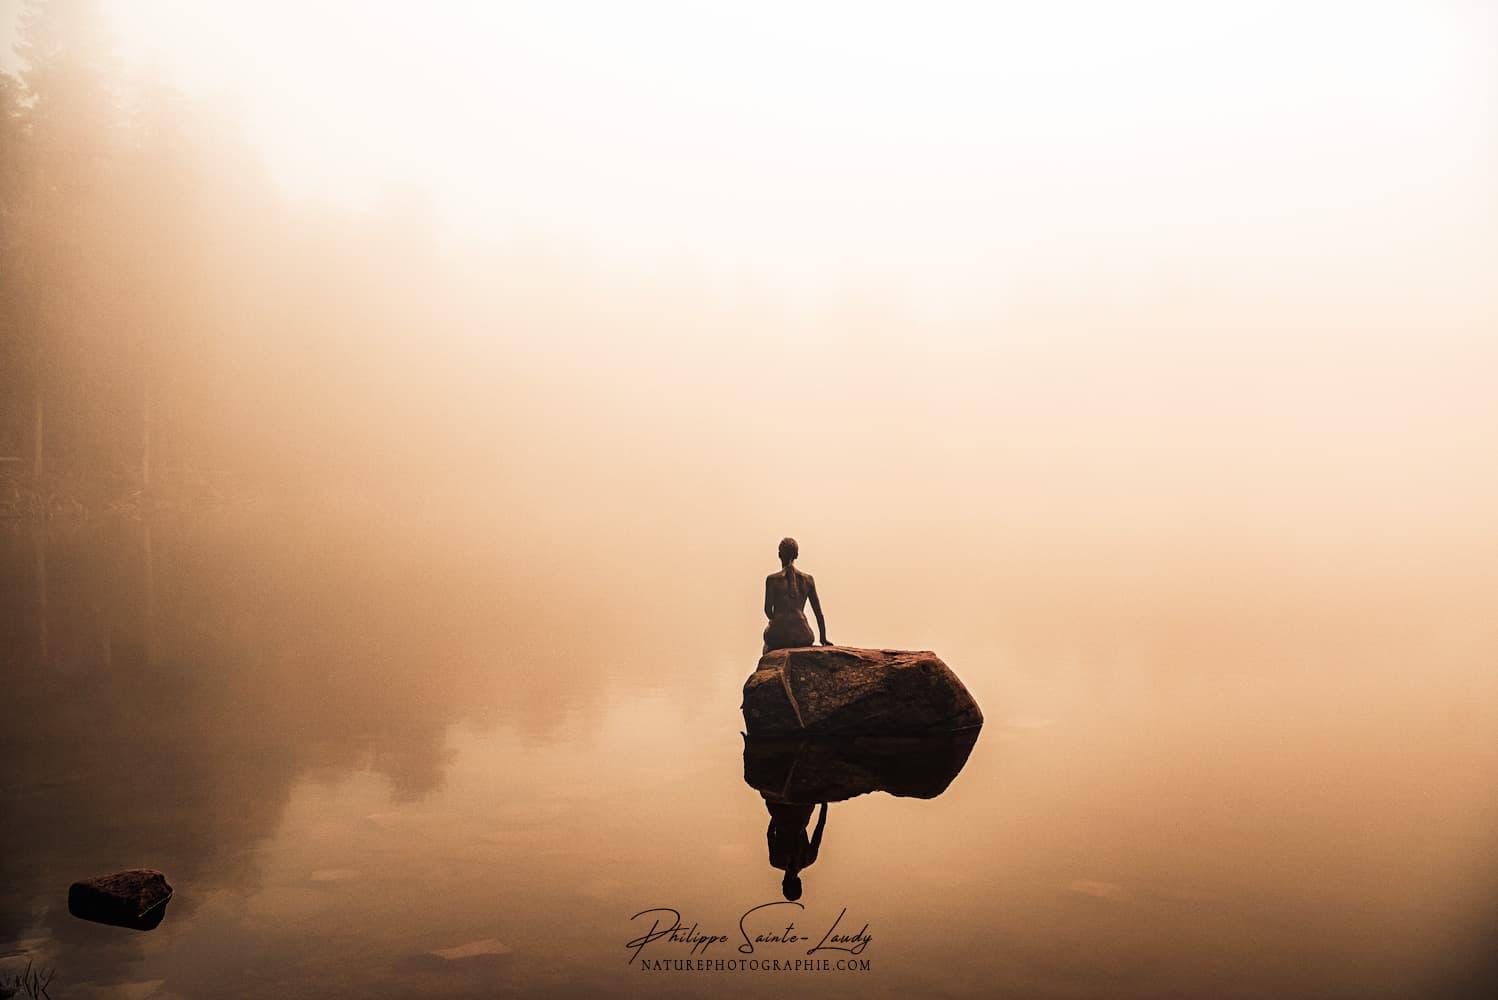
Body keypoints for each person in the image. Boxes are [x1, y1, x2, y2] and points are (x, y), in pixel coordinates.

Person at [762, 537, 830, 654]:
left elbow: (768, 611)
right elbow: (818, 613)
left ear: (779, 554)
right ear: (797, 555)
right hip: (803, 635)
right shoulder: (808, 580)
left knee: (768, 641)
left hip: (778, 637)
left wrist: (777, 622)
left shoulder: (772, 580)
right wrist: (823, 638)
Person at [765, 800, 829, 901]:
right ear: (783, 883)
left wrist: (824, 803)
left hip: (802, 813)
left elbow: (820, 826)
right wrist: (776, 817)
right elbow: (770, 834)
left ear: (800, 883)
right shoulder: (776, 861)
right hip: (781, 813)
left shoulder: (809, 859)